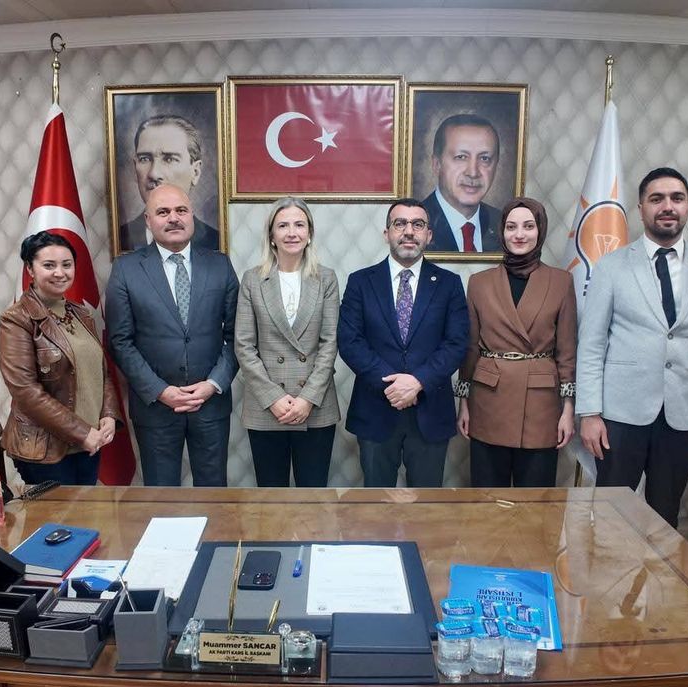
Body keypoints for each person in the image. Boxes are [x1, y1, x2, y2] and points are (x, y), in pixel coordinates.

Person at [576, 167, 688, 527]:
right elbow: (592, 344)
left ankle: (660, 568)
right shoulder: (611, 266)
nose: (667, 206)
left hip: (684, 417)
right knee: (611, 515)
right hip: (620, 415)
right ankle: (610, 567)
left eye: (677, 198)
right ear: (641, 208)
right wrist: (590, 413)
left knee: (665, 516)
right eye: (656, 199)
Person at [105, 184, 239, 486]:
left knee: (214, 493)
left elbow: (237, 336)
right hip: (155, 407)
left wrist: (213, 384)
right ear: (148, 220)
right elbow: (120, 341)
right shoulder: (126, 269)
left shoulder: (220, 265)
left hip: (210, 404)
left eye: (181, 210)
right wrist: (160, 390)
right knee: (160, 496)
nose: (173, 218)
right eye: (163, 212)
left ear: (191, 216)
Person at [338, 199, 469, 487]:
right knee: (376, 503)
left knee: (426, 505)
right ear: (387, 233)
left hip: (430, 411)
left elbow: (457, 343)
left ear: (429, 235)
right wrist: (394, 385)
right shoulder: (360, 282)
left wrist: (418, 382)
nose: (409, 231)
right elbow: (350, 341)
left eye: (417, 225)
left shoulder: (449, 284)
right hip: (376, 409)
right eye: (400, 224)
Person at [457, 197, 577, 487]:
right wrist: (463, 401)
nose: (519, 234)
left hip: (541, 403)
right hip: (489, 398)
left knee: (536, 502)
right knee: (487, 500)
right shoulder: (479, 282)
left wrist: (568, 409)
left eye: (528, 226)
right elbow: (470, 348)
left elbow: (567, 351)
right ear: (502, 232)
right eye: (511, 227)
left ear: (540, 230)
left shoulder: (561, 282)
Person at [0, 231, 123, 486]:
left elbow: (101, 372)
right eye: (49, 265)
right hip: (46, 451)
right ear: (30, 269)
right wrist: (81, 432)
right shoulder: (16, 319)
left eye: (67, 264)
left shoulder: (81, 313)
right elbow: (25, 391)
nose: (60, 272)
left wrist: (109, 414)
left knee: (88, 511)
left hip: (89, 443)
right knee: (60, 515)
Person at [234, 197, 342, 487]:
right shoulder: (252, 280)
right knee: (271, 498)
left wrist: (307, 399)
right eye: (283, 226)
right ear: (271, 235)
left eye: (299, 225)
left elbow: (329, 343)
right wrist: (274, 398)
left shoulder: (326, 279)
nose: (291, 232)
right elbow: (244, 345)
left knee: (313, 495)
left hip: (315, 406)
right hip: (266, 406)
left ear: (309, 233)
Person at [117, 115, 220, 253]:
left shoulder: (215, 241)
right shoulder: (120, 238)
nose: (154, 174)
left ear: (195, 172)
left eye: (169, 159)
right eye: (145, 159)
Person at [421, 114, 501, 253]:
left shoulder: (504, 225)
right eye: (461, 157)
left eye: (484, 158)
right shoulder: (415, 225)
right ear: (436, 164)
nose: (473, 172)